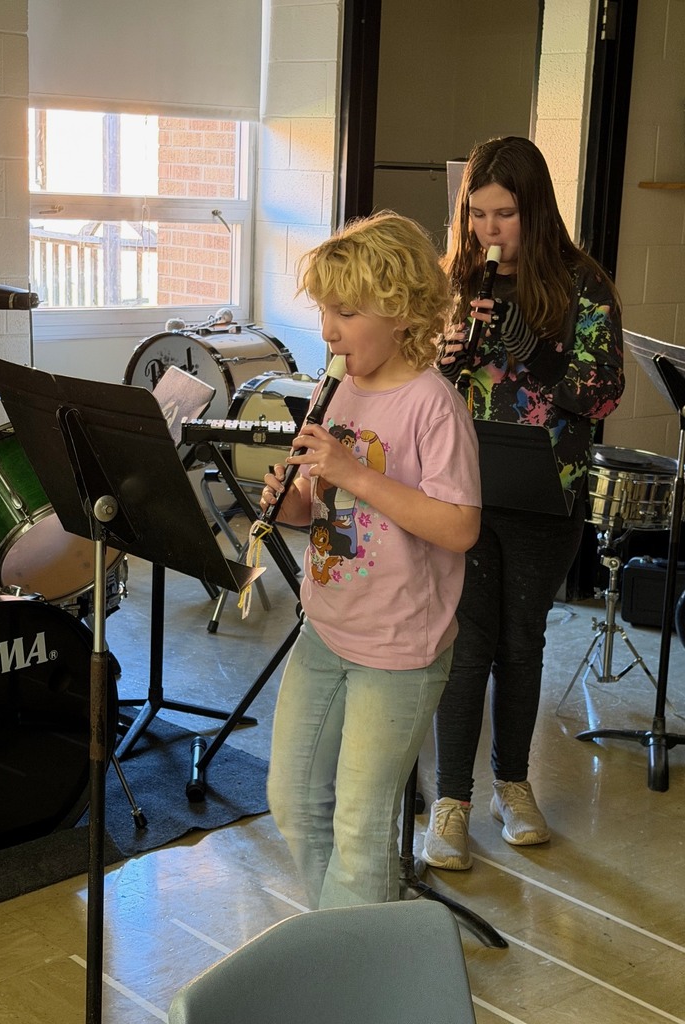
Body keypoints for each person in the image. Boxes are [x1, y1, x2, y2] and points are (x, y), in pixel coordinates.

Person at [259, 211, 482, 908]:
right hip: (326, 627)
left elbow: (459, 527)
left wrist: (353, 473)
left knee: (361, 827)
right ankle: (347, 942)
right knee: (293, 798)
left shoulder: (433, 406)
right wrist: (291, 504)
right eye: (325, 311)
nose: (328, 330)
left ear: (404, 312)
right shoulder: (338, 389)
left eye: (347, 313)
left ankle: (349, 959)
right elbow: (317, 506)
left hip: (399, 648)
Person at [422, 136, 624, 870]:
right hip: (462, 488)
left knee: (520, 642)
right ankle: (451, 801)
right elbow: (417, 391)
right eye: (476, 215)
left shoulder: (581, 284)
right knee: (467, 643)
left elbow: (601, 394)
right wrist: (446, 365)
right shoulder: (455, 279)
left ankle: (513, 785)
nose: (489, 231)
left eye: (503, 215)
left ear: (534, 211)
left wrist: (530, 350)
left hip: (544, 492)